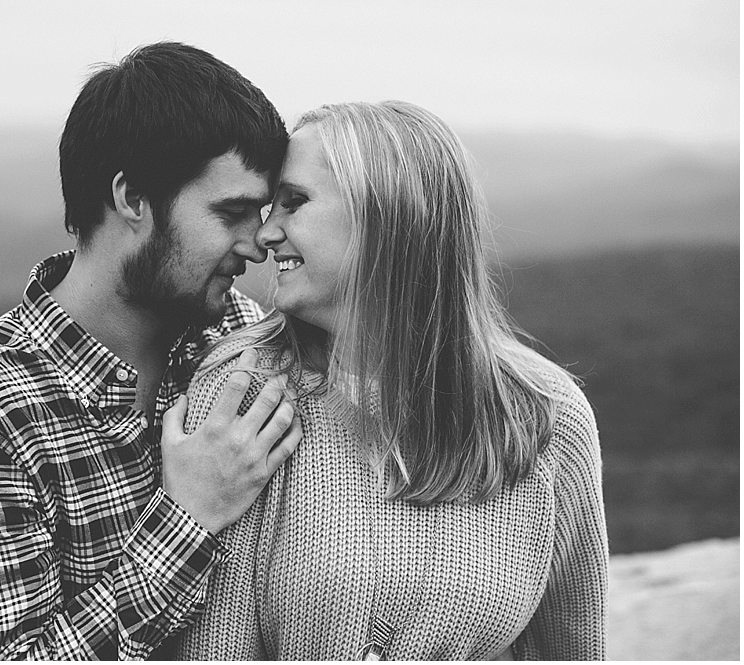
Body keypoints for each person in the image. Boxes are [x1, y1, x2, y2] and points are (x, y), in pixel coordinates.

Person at [0, 42, 302, 660]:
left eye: (264, 213)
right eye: (231, 212)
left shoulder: (242, 341)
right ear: (132, 198)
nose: (258, 245)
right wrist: (189, 516)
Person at [172, 101, 609, 660]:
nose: (266, 235)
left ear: (385, 217)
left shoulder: (543, 415)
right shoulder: (244, 394)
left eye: (295, 203)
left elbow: (571, 650)